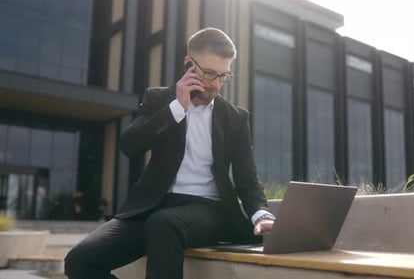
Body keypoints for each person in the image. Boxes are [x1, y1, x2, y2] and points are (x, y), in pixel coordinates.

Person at [64, 27, 275, 279]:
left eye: (223, 76)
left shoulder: (235, 118)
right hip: (151, 207)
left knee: (164, 225)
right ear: (189, 63)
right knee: (79, 261)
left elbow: (246, 178)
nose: (216, 84)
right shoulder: (158, 99)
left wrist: (261, 214)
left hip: (208, 210)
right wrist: (177, 108)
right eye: (209, 74)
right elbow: (129, 145)